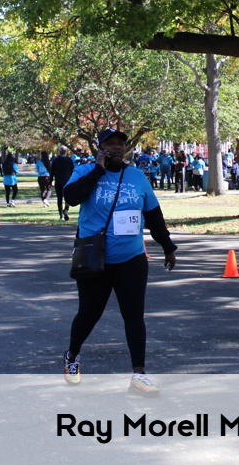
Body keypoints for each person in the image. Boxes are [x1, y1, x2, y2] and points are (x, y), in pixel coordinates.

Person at [61, 128, 178, 394]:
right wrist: (98, 170)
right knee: (89, 313)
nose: (116, 148)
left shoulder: (136, 176)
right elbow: (71, 197)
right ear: (99, 148)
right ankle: (72, 355)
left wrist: (168, 247)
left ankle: (139, 375)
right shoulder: (84, 171)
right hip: (95, 258)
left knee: (134, 316)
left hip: (131, 258)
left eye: (120, 144)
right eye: (110, 144)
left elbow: (153, 215)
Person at [51, 146, 76, 221]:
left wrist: (50, 181)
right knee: (67, 198)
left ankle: (61, 215)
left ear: (59, 151)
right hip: (67, 181)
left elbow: (52, 172)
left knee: (59, 198)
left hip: (58, 181)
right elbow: (73, 170)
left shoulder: (55, 160)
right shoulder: (69, 160)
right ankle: (66, 210)